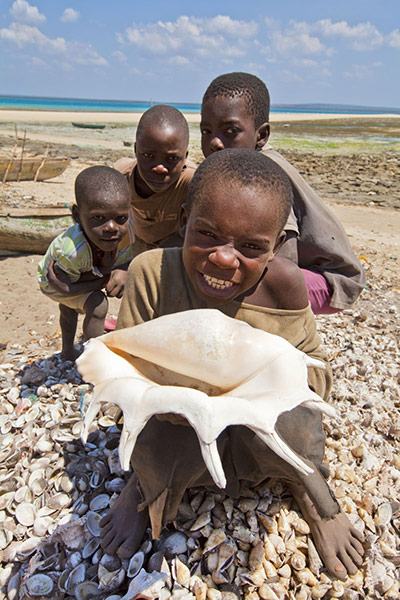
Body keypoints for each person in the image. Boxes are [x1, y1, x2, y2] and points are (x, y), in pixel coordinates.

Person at [99, 149, 364, 581]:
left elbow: (317, 371)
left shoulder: (284, 285)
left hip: (259, 416)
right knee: (152, 438)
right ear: (183, 221)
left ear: (277, 247)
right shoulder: (152, 273)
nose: (224, 258)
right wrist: (173, 396)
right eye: (207, 234)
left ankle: (308, 488)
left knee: (297, 426)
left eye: (251, 247)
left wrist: (271, 383)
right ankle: (145, 488)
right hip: (178, 415)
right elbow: (120, 366)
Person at [200, 72, 365, 314]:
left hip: (330, 280)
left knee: (243, 286)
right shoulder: (242, 168)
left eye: (231, 131)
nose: (215, 142)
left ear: (261, 135)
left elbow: (281, 261)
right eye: (206, 131)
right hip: (304, 271)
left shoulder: (262, 178)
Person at [37, 166, 134, 361]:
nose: (111, 228)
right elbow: (67, 289)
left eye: (121, 218)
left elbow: (127, 262)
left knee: (69, 309)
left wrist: (121, 270)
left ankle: (67, 352)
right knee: (96, 305)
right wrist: (104, 278)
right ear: (76, 215)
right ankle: (95, 360)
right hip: (55, 282)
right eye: (98, 218)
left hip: (86, 273)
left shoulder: (127, 232)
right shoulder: (70, 252)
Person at [115, 104, 196, 257]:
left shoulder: (192, 183)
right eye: (148, 156)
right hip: (137, 240)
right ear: (135, 150)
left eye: (172, 158)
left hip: (176, 246)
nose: (160, 168)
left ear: (185, 157)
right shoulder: (121, 178)